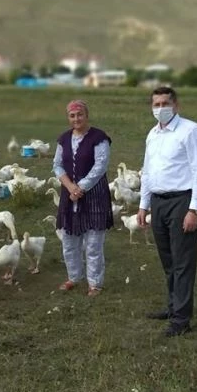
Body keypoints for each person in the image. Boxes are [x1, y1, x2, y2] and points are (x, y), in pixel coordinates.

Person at [137, 86, 197, 337]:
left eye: (165, 103)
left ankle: (181, 319)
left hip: (182, 201)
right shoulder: (152, 134)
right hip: (158, 202)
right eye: (156, 104)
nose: (160, 109)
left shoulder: (190, 131)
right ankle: (173, 306)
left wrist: (194, 210)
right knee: (168, 260)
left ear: (176, 105)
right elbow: (148, 171)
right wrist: (143, 204)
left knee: (183, 262)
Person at [53, 99, 113, 297]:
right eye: (72, 115)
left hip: (94, 195)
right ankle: (74, 276)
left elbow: (100, 166)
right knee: (69, 240)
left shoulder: (99, 138)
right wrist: (70, 186)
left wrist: (81, 187)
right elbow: (57, 165)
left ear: (86, 116)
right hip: (69, 196)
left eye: (80, 115)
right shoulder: (63, 139)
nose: (76, 119)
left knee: (93, 243)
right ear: (68, 118)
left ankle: (95, 283)